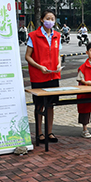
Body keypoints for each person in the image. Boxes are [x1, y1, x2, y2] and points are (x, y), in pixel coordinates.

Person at [25, 9, 62, 143]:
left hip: (53, 76)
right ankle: (39, 133)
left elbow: (58, 54)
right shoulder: (33, 36)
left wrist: (59, 64)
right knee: (39, 105)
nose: (50, 21)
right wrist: (40, 67)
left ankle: (49, 132)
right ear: (42, 20)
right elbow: (27, 56)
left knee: (51, 105)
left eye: (52, 19)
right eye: (47, 18)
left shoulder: (57, 35)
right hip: (39, 76)